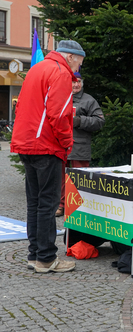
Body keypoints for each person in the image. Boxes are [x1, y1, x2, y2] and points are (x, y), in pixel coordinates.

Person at [11, 40, 85, 273]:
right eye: (79, 63)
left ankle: (35, 255)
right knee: (48, 203)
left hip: (26, 143)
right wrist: (66, 142)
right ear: (71, 57)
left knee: (34, 202)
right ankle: (46, 258)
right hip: (47, 145)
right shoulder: (61, 72)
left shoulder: (37, 68)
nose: (77, 70)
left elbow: (21, 105)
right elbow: (60, 114)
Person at [55, 72, 105, 217]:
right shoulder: (60, 98)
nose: (76, 84)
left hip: (80, 146)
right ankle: (61, 205)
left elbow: (100, 121)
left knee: (80, 179)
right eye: (73, 82)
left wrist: (80, 121)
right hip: (61, 145)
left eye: (78, 82)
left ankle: (78, 208)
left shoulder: (89, 100)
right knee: (60, 178)